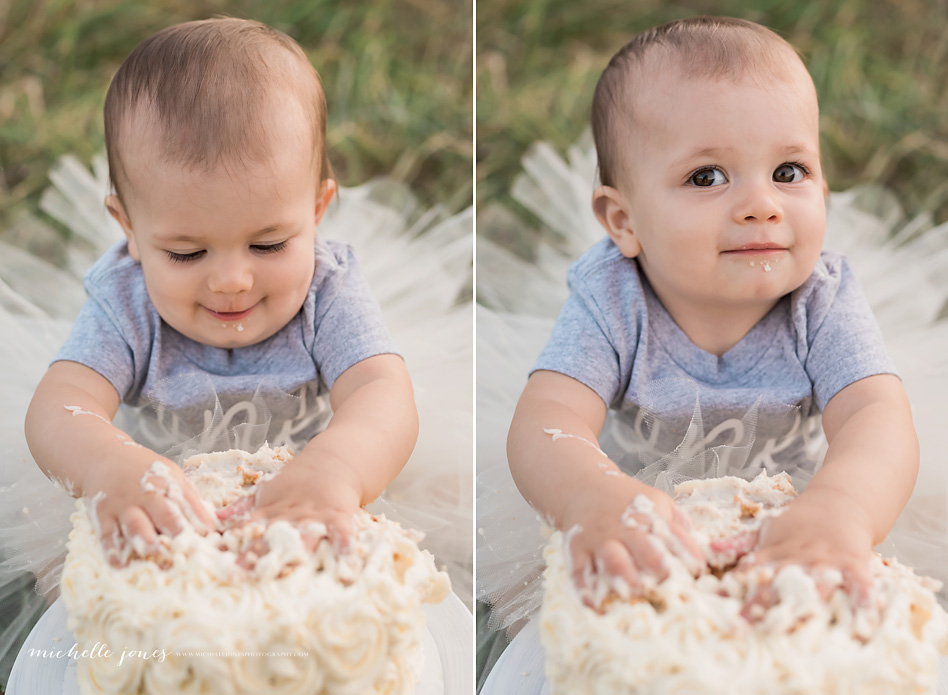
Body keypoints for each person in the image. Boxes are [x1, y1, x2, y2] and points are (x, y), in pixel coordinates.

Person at [0, 17, 473, 683]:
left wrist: (336, 467)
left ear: (316, 210)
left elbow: (380, 391)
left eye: (269, 243)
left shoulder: (327, 292)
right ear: (129, 230)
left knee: (345, 593)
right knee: (104, 606)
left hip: (305, 484)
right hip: (166, 494)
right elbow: (59, 406)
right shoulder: (127, 301)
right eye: (186, 252)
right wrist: (111, 464)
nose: (232, 279)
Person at [483, 15, 926, 648]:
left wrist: (841, 510)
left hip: (792, 513)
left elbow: (875, 415)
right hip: (645, 513)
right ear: (624, 220)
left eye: (790, 171)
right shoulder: (614, 296)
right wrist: (591, 495)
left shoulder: (820, 301)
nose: (761, 204)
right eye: (707, 177)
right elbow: (547, 415)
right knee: (606, 644)